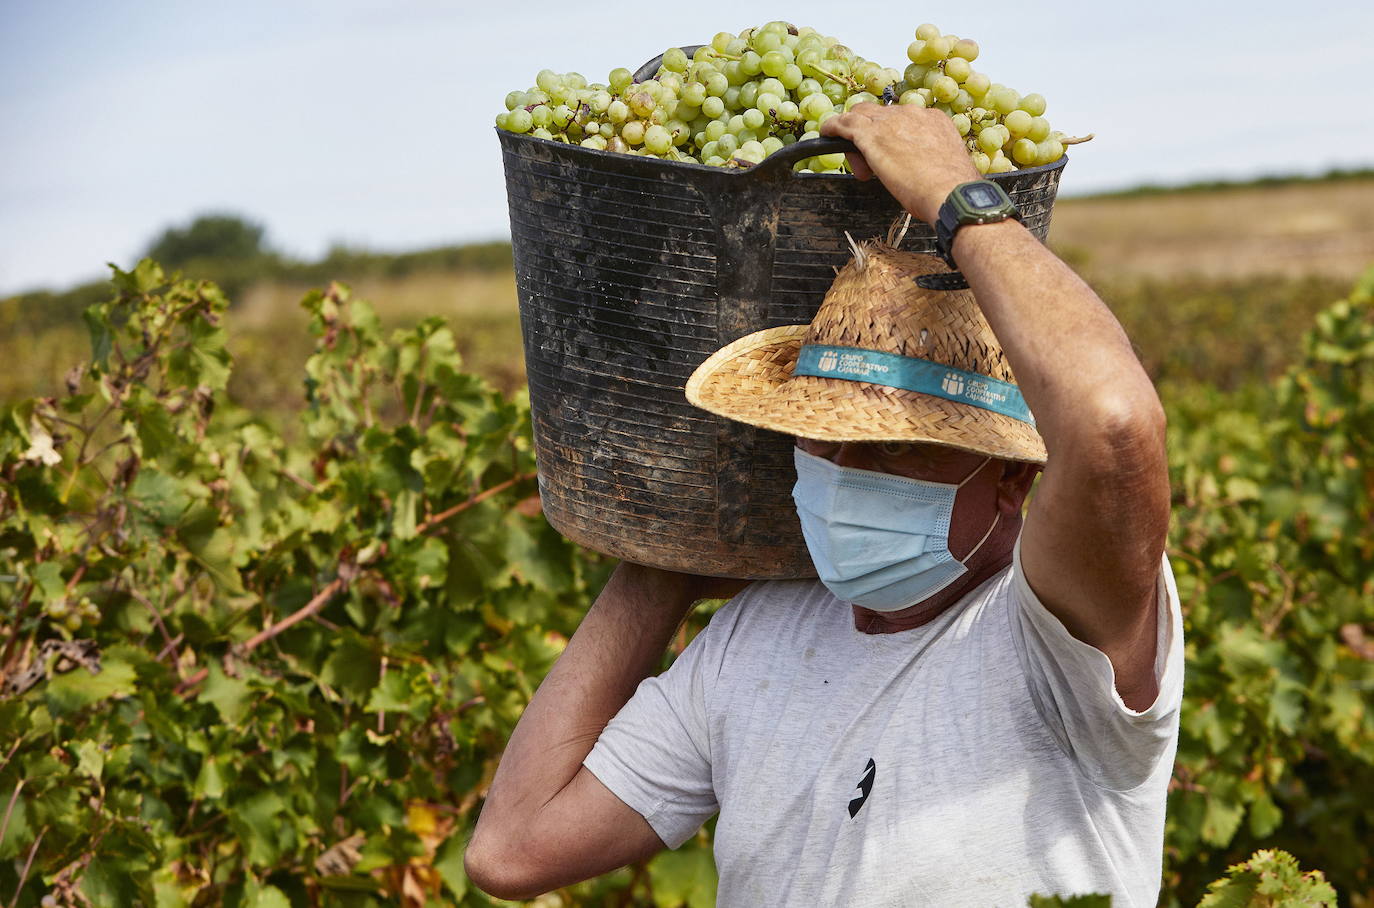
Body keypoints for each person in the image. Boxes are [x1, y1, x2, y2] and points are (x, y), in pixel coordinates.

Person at [464, 104, 1182, 906]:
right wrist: (663, 564)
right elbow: (512, 852)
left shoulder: (1057, 638)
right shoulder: (755, 642)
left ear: (1010, 478)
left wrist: (956, 192)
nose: (841, 471)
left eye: (894, 446)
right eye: (820, 437)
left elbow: (1114, 429)